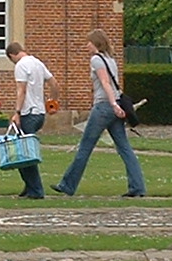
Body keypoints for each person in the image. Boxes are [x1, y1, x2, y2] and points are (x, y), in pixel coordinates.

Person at [51, 29, 145, 198]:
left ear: (96, 43)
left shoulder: (96, 60)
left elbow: (105, 83)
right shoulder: (111, 60)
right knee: (124, 148)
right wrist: (116, 106)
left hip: (104, 107)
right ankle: (137, 187)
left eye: (89, 42)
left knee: (85, 147)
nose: (87, 45)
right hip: (113, 108)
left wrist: (113, 105)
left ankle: (67, 185)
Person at [6, 40, 55, 199]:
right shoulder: (37, 63)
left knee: (25, 154)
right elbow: (54, 83)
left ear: (12, 55)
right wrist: (53, 102)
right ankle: (28, 186)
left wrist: (17, 112)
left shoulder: (21, 65)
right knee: (22, 150)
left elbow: (22, 91)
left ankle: (36, 190)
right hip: (40, 113)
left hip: (28, 112)